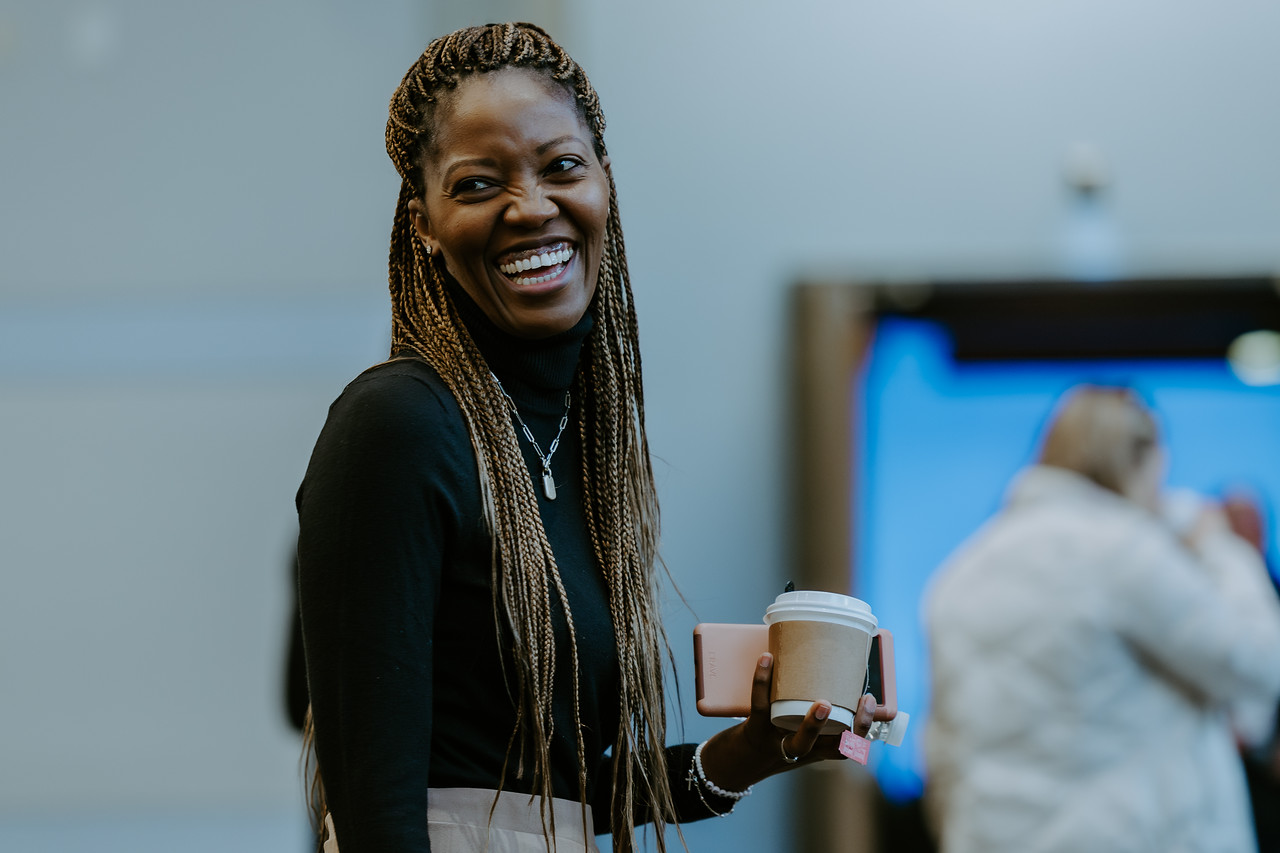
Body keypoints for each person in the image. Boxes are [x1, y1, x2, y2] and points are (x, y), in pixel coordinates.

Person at [295, 22, 878, 853]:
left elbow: (553, 792)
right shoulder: (396, 426)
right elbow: (377, 805)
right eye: (477, 184)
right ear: (423, 222)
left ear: (604, 180)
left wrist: (752, 749)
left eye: (561, 166)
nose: (531, 206)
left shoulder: (575, 443)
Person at [923, 385, 1280, 853]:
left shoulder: (961, 572)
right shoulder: (1125, 551)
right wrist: (1216, 543)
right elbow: (1262, 662)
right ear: (1143, 461)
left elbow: (943, 755)